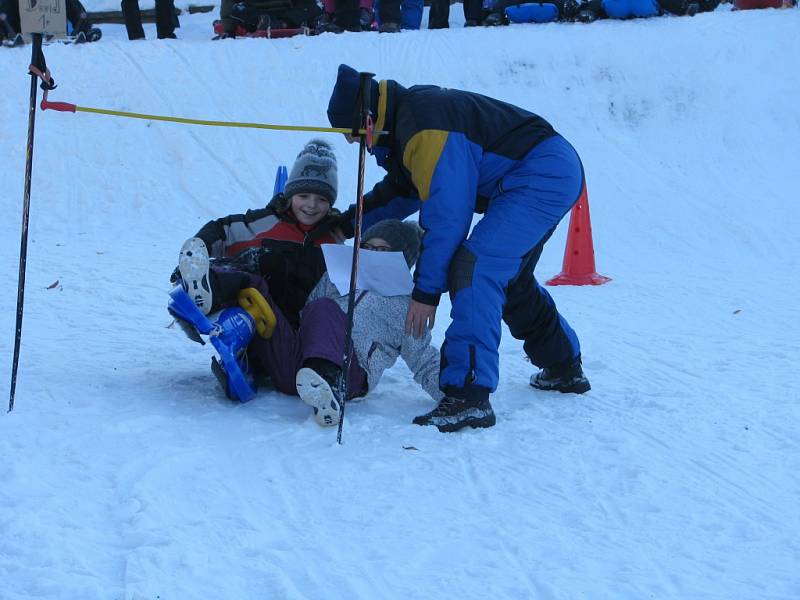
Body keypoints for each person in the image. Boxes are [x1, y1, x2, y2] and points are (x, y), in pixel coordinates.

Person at [326, 64, 592, 433]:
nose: (353, 144)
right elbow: (401, 192)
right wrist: (344, 225)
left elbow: (448, 216)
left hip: (539, 174)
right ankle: (563, 365)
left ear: (368, 120)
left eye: (352, 134)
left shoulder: (424, 125)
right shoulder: (408, 121)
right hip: (547, 167)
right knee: (509, 279)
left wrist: (426, 292)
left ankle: (469, 395)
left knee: (474, 267)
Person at [177, 219, 443, 427]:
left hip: (348, 373)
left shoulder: (409, 305)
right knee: (258, 289)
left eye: (383, 251)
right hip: (297, 361)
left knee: (325, 308)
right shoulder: (338, 276)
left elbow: (423, 359)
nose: (372, 254)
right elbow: (308, 314)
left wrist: (454, 393)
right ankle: (207, 289)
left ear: (401, 261)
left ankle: (327, 384)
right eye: (367, 247)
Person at [176, 138, 342, 330]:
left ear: (330, 203)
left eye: (321, 199)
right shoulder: (266, 222)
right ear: (290, 196)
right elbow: (223, 230)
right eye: (303, 196)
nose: (311, 205)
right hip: (258, 323)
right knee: (261, 263)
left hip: (305, 328)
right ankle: (202, 286)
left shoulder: (334, 237)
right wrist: (200, 249)